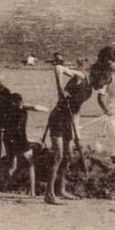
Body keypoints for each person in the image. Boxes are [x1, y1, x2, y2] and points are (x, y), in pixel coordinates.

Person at [45, 63, 92, 204]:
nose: (101, 86)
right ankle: (49, 194)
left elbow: (77, 110)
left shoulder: (90, 88)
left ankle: (62, 189)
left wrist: (77, 132)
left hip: (69, 120)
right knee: (58, 156)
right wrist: (60, 89)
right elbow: (58, 68)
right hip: (58, 118)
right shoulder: (82, 76)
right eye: (102, 82)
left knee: (68, 155)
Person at [2, 93, 47, 196]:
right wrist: (46, 109)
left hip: (9, 139)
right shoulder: (21, 111)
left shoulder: (7, 111)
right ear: (19, 102)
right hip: (20, 140)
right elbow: (36, 107)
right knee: (30, 164)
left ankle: (5, 186)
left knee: (12, 164)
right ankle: (32, 191)